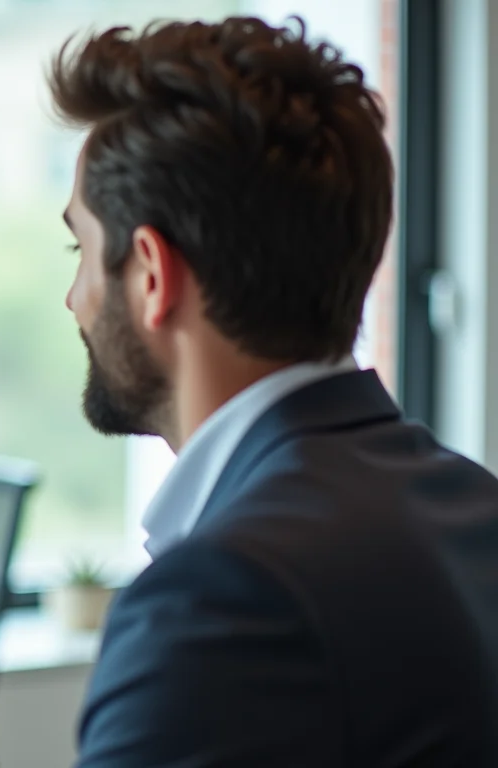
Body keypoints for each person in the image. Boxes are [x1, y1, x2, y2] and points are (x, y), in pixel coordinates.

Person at [49, 16, 498, 766]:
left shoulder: (218, 598)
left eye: (81, 251)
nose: (74, 298)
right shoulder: (475, 508)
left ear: (152, 277)